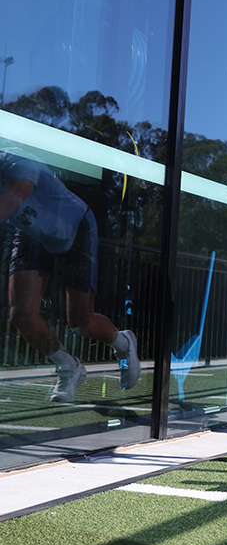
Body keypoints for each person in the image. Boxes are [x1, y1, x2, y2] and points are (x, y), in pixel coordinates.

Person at [0, 148, 140, 403]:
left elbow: (8, 205)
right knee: (21, 313)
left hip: (75, 227)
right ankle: (69, 367)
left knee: (79, 323)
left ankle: (123, 343)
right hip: (32, 234)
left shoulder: (18, 160)